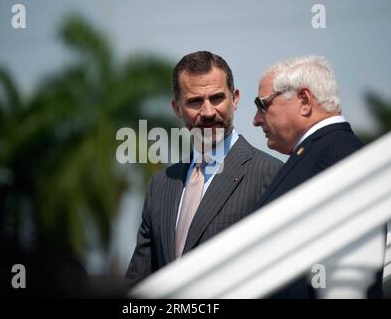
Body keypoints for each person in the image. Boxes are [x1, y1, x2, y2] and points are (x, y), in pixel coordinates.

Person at [125, 51, 283, 288]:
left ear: (235, 98)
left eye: (217, 98)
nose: (208, 112)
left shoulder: (270, 175)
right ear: (177, 108)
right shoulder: (161, 185)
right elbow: (139, 284)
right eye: (195, 101)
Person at [252, 55, 385, 298]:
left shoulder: (338, 153)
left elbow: (346, 269)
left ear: (304, 100)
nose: (256, 120)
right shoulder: (320, 151)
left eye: (263, 105)